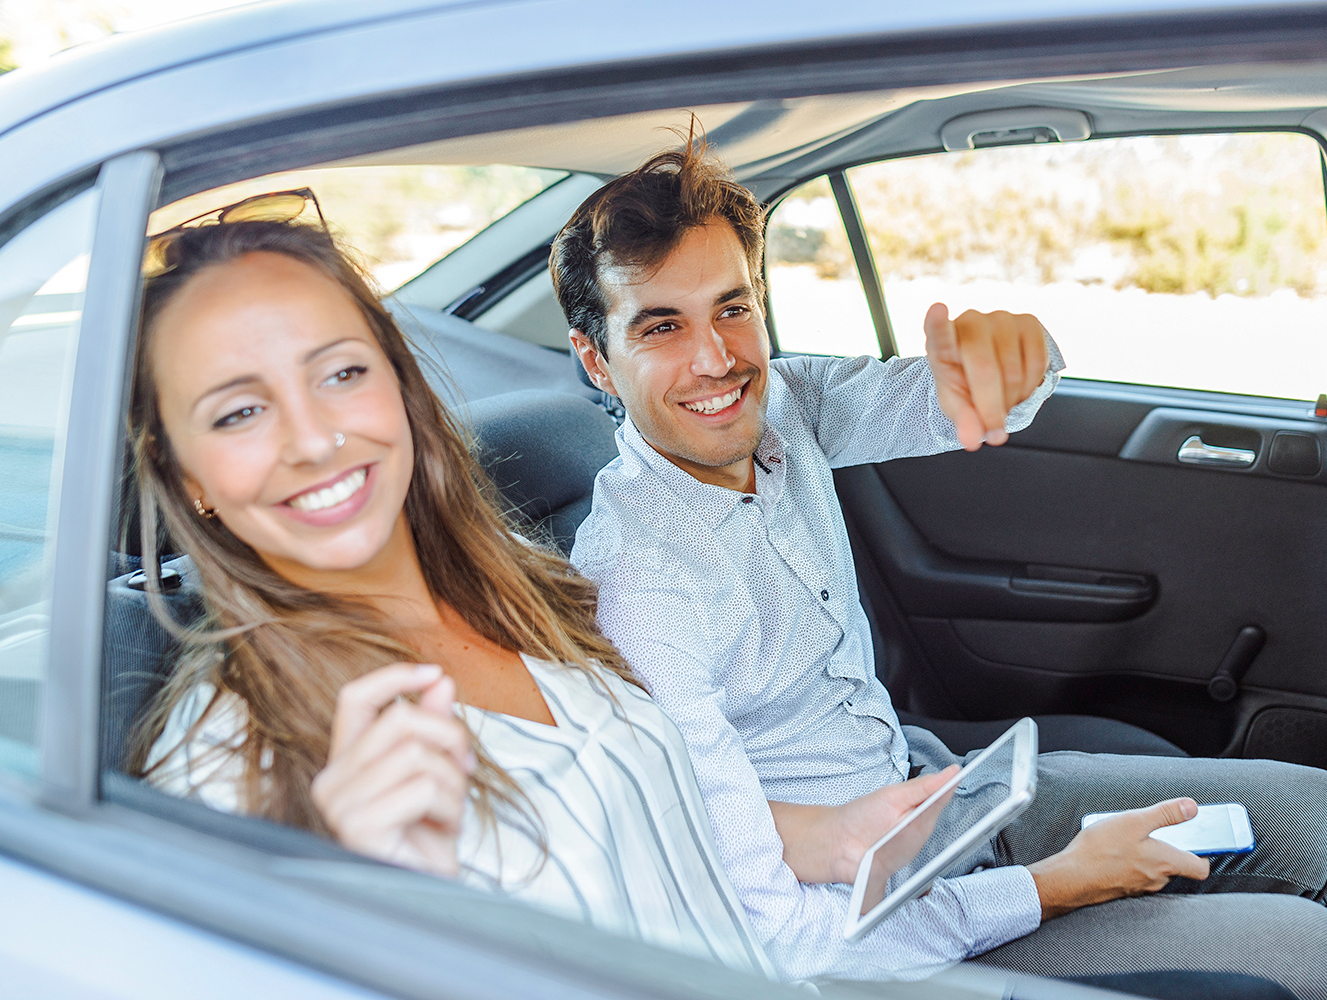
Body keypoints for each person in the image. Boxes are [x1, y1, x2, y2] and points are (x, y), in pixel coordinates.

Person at [557, 138, 1327, 999]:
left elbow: (956, 394)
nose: (716, 358)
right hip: (871, 933)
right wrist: (1061, 884)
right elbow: (792, 947)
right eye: (662, 326)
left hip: (934, 800)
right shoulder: (639, 587)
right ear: (595, 358)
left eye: (732, 308)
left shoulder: (786, 407)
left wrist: (1016, 355)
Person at [122, 210, 969, 978]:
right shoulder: (229, 760)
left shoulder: (522, 588)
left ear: (401, 390)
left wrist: (828, 837)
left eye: (341, 373)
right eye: (237, 412)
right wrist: (366, 914)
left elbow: (636, 813)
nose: (313, 438)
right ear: (182, 472)